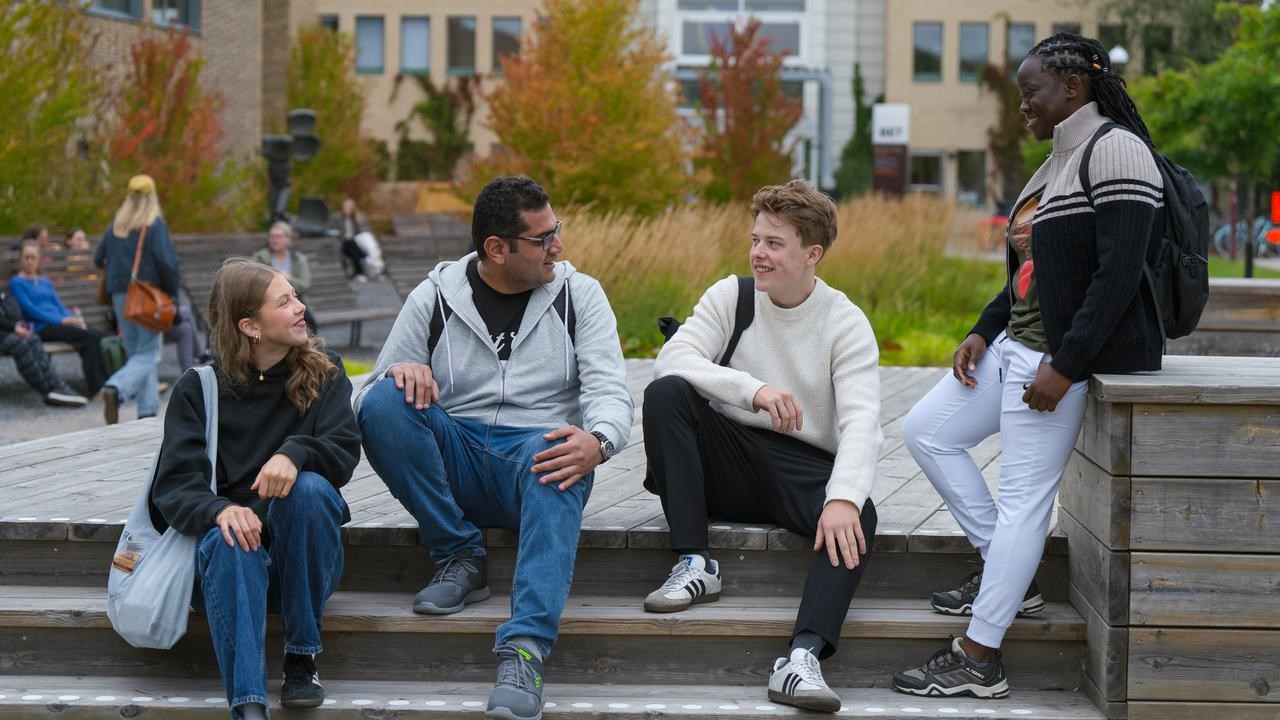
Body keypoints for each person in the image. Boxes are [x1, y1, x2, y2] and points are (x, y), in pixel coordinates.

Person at [892, 32, 1165, 700]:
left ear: (1073, 87)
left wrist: (1067, 365)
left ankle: (979, 655)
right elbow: (1029, 273)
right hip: (1016, 348)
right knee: (927, 430)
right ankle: (1004, 579)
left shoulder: (1116, 150)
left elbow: (1119, 273)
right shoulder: (1055, 160)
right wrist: (984, 332)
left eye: (1031, 91)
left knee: (1022, 501)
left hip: (1055, 359)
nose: (1023, 105)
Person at [354, 176, 633, 720]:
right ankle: (459, 554)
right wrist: (399, 370)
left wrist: (598, 442)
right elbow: (364, 396)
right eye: (543, 238)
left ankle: (524, 651)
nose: (559, 247)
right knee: (386, 400)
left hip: (529, 459)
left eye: (557, 231)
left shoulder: (580, 295)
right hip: (455, 453)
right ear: (497, 249)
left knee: (560, 456)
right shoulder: (434, 296)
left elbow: (610, 391)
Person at [641, 179, 882, 713]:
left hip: (797, 470)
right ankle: (696, 563)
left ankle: (801, 659)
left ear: (811, 253)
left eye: (774, 243)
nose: (758, 253)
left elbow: (864, 422)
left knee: (859, 513)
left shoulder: (845, 322)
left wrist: (842, 497)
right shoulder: (731, 296)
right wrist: (754, 390)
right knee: (667, 394)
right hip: (724, 460)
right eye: (756, 239)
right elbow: (672, 360)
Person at [151, 258, 360, 720]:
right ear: (250, 326)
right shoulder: (198, 390)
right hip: (226, 574)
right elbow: (174, 486)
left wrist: (295, 452)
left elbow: (343, 453)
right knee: (232, 540)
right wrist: (220, 509)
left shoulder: (325, 374)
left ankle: (301, 657)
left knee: (308, 491)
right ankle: (248, 706)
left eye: (296, 296)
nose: (301, 307)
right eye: (285, 302)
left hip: (300, 568)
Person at [94, 174, 181, 424]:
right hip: (147, 296)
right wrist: (172, 294)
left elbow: (97, 258)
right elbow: (167, 263)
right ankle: (116, 388)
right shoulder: (153, 224)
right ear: (152, 196)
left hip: (120, 296)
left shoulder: (117, 225)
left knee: (137, 353)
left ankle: (147, 411)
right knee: (149, 353)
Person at [11, 241, 108, 397]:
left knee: (100, 336)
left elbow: (58, 304)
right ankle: (97, 388)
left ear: (39, 259)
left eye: (33, 257)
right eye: (26, 257)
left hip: (60, 323)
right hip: (42, 327)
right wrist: (61, 321)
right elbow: (30, 309)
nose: (29, 261)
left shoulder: (44, 280)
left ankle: (109, 383)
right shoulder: (17, 282)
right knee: (89, 338)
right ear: (21, 259)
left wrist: (72, 318)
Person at [0, 283, 87, 406]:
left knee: (33, 338)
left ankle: (56, 384)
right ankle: (48, 391)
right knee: (20, 345)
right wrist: (13, 327)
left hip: (6, 330)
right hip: (5, 334)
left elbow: (11, 311)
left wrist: (15, 325)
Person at [252, 221, 317, 332]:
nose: (274, 240)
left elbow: (304, 285)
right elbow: (253, 281)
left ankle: (305, 348)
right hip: (268, 302)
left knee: (310, 324)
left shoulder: (299, 259)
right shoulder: (259, 257)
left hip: (296, 301)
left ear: (288, 239)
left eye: (279, 236)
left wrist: (289, 280)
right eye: (272, 236)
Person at [327, 197, 371, 280]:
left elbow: (363, 231)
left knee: (355, 245)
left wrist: (358, 218)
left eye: (350, 207)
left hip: (354, 243)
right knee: (352, 245)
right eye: (346, 207)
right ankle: (359, 272)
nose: (347, 209)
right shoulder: (336, 217)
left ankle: (360, 272)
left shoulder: (355, 218)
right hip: (342, 241)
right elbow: (331, 230)